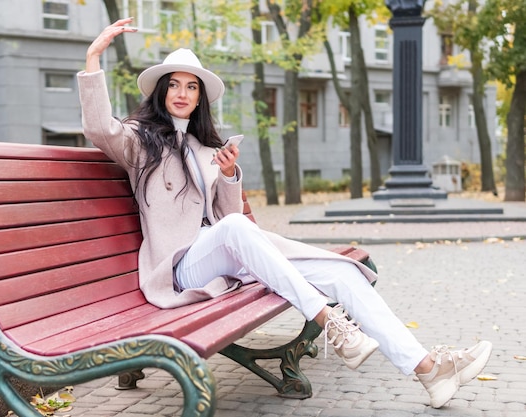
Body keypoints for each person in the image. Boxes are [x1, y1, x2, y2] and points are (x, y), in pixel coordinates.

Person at [77, 17, 492, 409]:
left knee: (340, 273)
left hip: (224, 254)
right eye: (174, 85)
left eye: (191, 86)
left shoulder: (207, 150)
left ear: (201, 97)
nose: (182, 93)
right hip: (179, 267)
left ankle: (427, 370)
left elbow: (223, 215)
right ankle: (330, 323)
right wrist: (94, 57)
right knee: (239, 229)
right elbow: (99, 129)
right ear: (161, 91)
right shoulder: (139, 141)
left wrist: (228, 176)